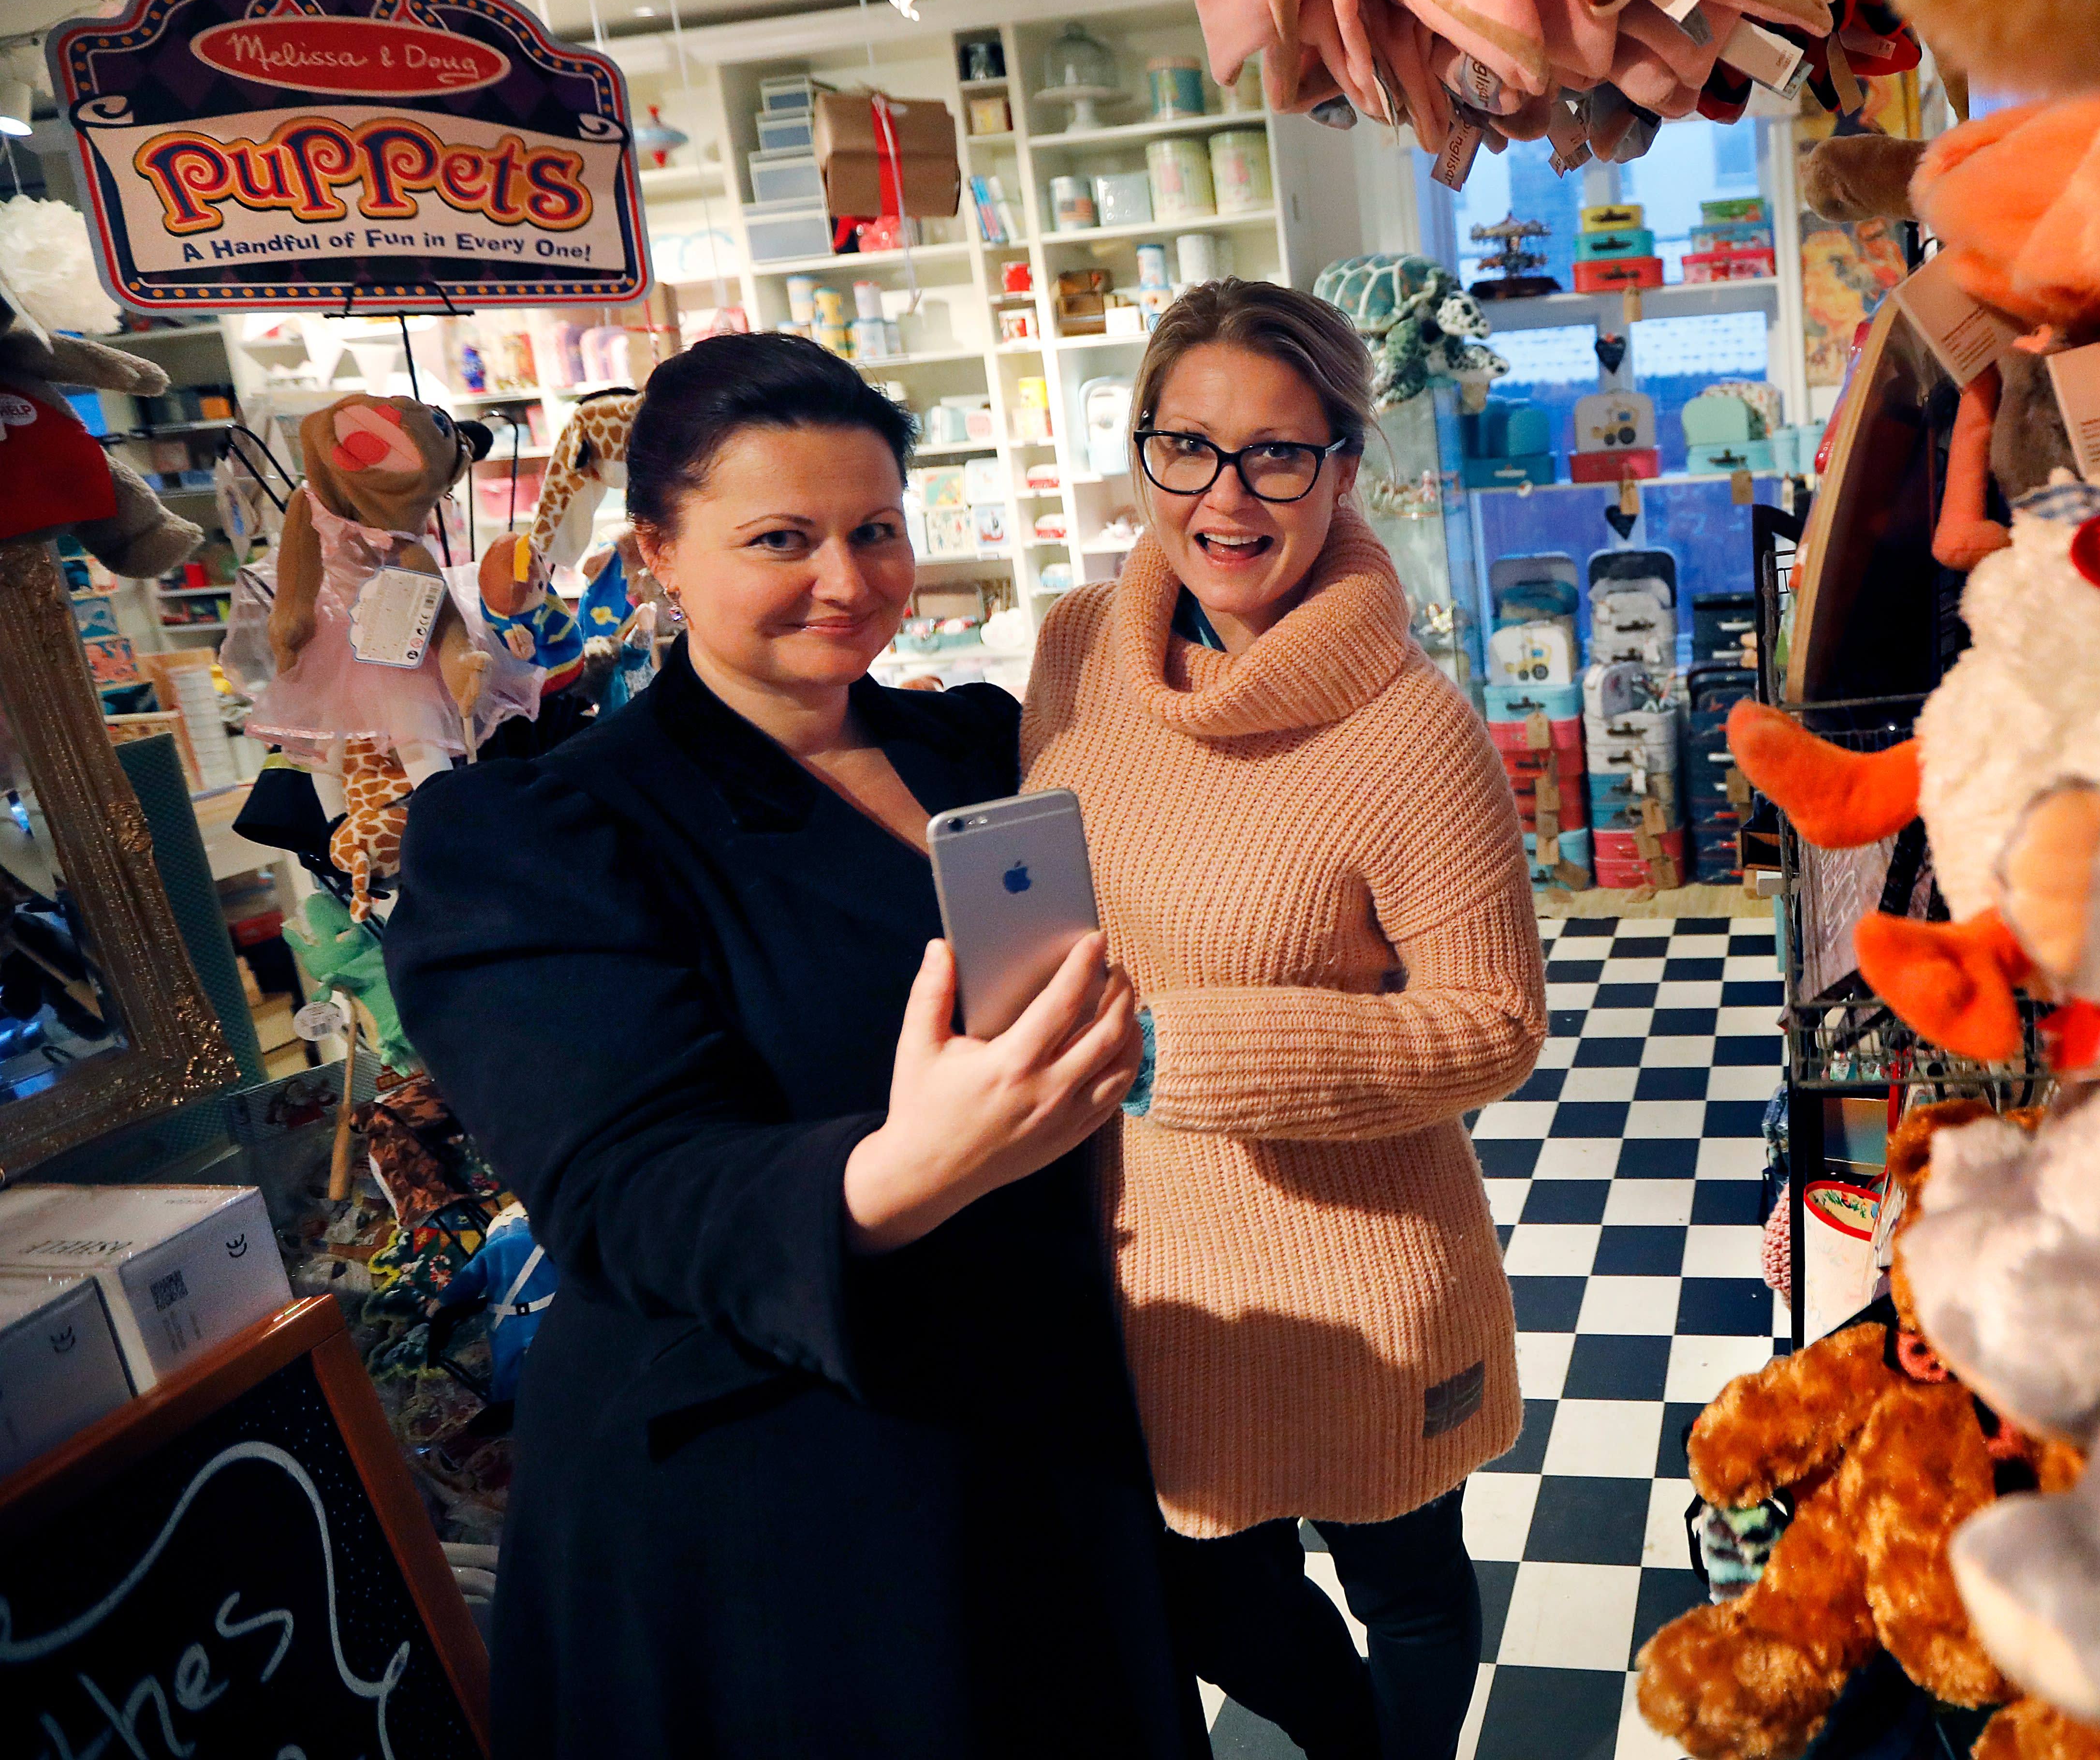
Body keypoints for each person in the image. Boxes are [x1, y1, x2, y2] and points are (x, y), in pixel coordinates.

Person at [385, 334, 1196, 1758]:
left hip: (1045, 1419)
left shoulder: (982, 751)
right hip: (781, 1498)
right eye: (781, 539)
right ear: (658, 555)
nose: (847, 579)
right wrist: (902, 1170)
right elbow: (623, 1192)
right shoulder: (540, 834)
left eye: (876, 529)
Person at [1020, 281, 1545, 1759]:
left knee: (1406, 1588)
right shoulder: (1076, 655)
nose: (1227, 496)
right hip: (1149, 1265)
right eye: (1187, 447)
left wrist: (1186, 1051)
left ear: (1342, 469)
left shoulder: (1410, 730)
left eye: (1277, 455)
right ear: (1143, 450)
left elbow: (1494, 1024)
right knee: (1206, 1589)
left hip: (1364, 1269)